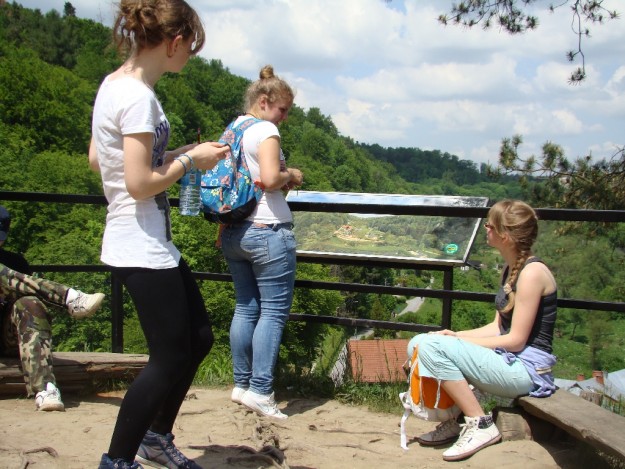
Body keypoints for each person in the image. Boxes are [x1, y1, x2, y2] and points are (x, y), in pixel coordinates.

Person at [88, 0, 230, 467]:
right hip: (140, 241)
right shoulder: (138, 97)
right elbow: (138, 183)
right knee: (168, 358)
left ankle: (155, 438)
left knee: (199, 338)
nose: (191, 56)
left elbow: (99, 159)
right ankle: (118, 460)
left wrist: (180, 153)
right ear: (174, 42)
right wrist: (189, 161)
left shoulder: (114, 84)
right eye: (191, 47)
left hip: (147, 240)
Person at [407, 199, 557, 462]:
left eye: (490, 225)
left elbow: (516, 340)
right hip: (508, 360)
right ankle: (457, 419)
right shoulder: (511, 269)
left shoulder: (532, 273)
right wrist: (454, 336)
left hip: (526, 371)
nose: (486, 228)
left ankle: (480, 423)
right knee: (419, 342)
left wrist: (456, 346)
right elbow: (496, 327)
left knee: (432, 348)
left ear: (505, 235)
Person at [220, 65, 303, 421]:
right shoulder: (266, 129)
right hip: (268, 230)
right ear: (265, 101)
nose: (284, 118)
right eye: (283, 109)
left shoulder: (233, 128)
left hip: (234, 231)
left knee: (245, 308)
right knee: (272, 312)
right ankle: (262, 390)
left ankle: (242, 385)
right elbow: (269, 179)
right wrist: (291, 174)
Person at [0, 205, 105, 411]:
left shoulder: (15, 262)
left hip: (7, 336)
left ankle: (45, 389)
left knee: (30, 303)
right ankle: (68, 297)